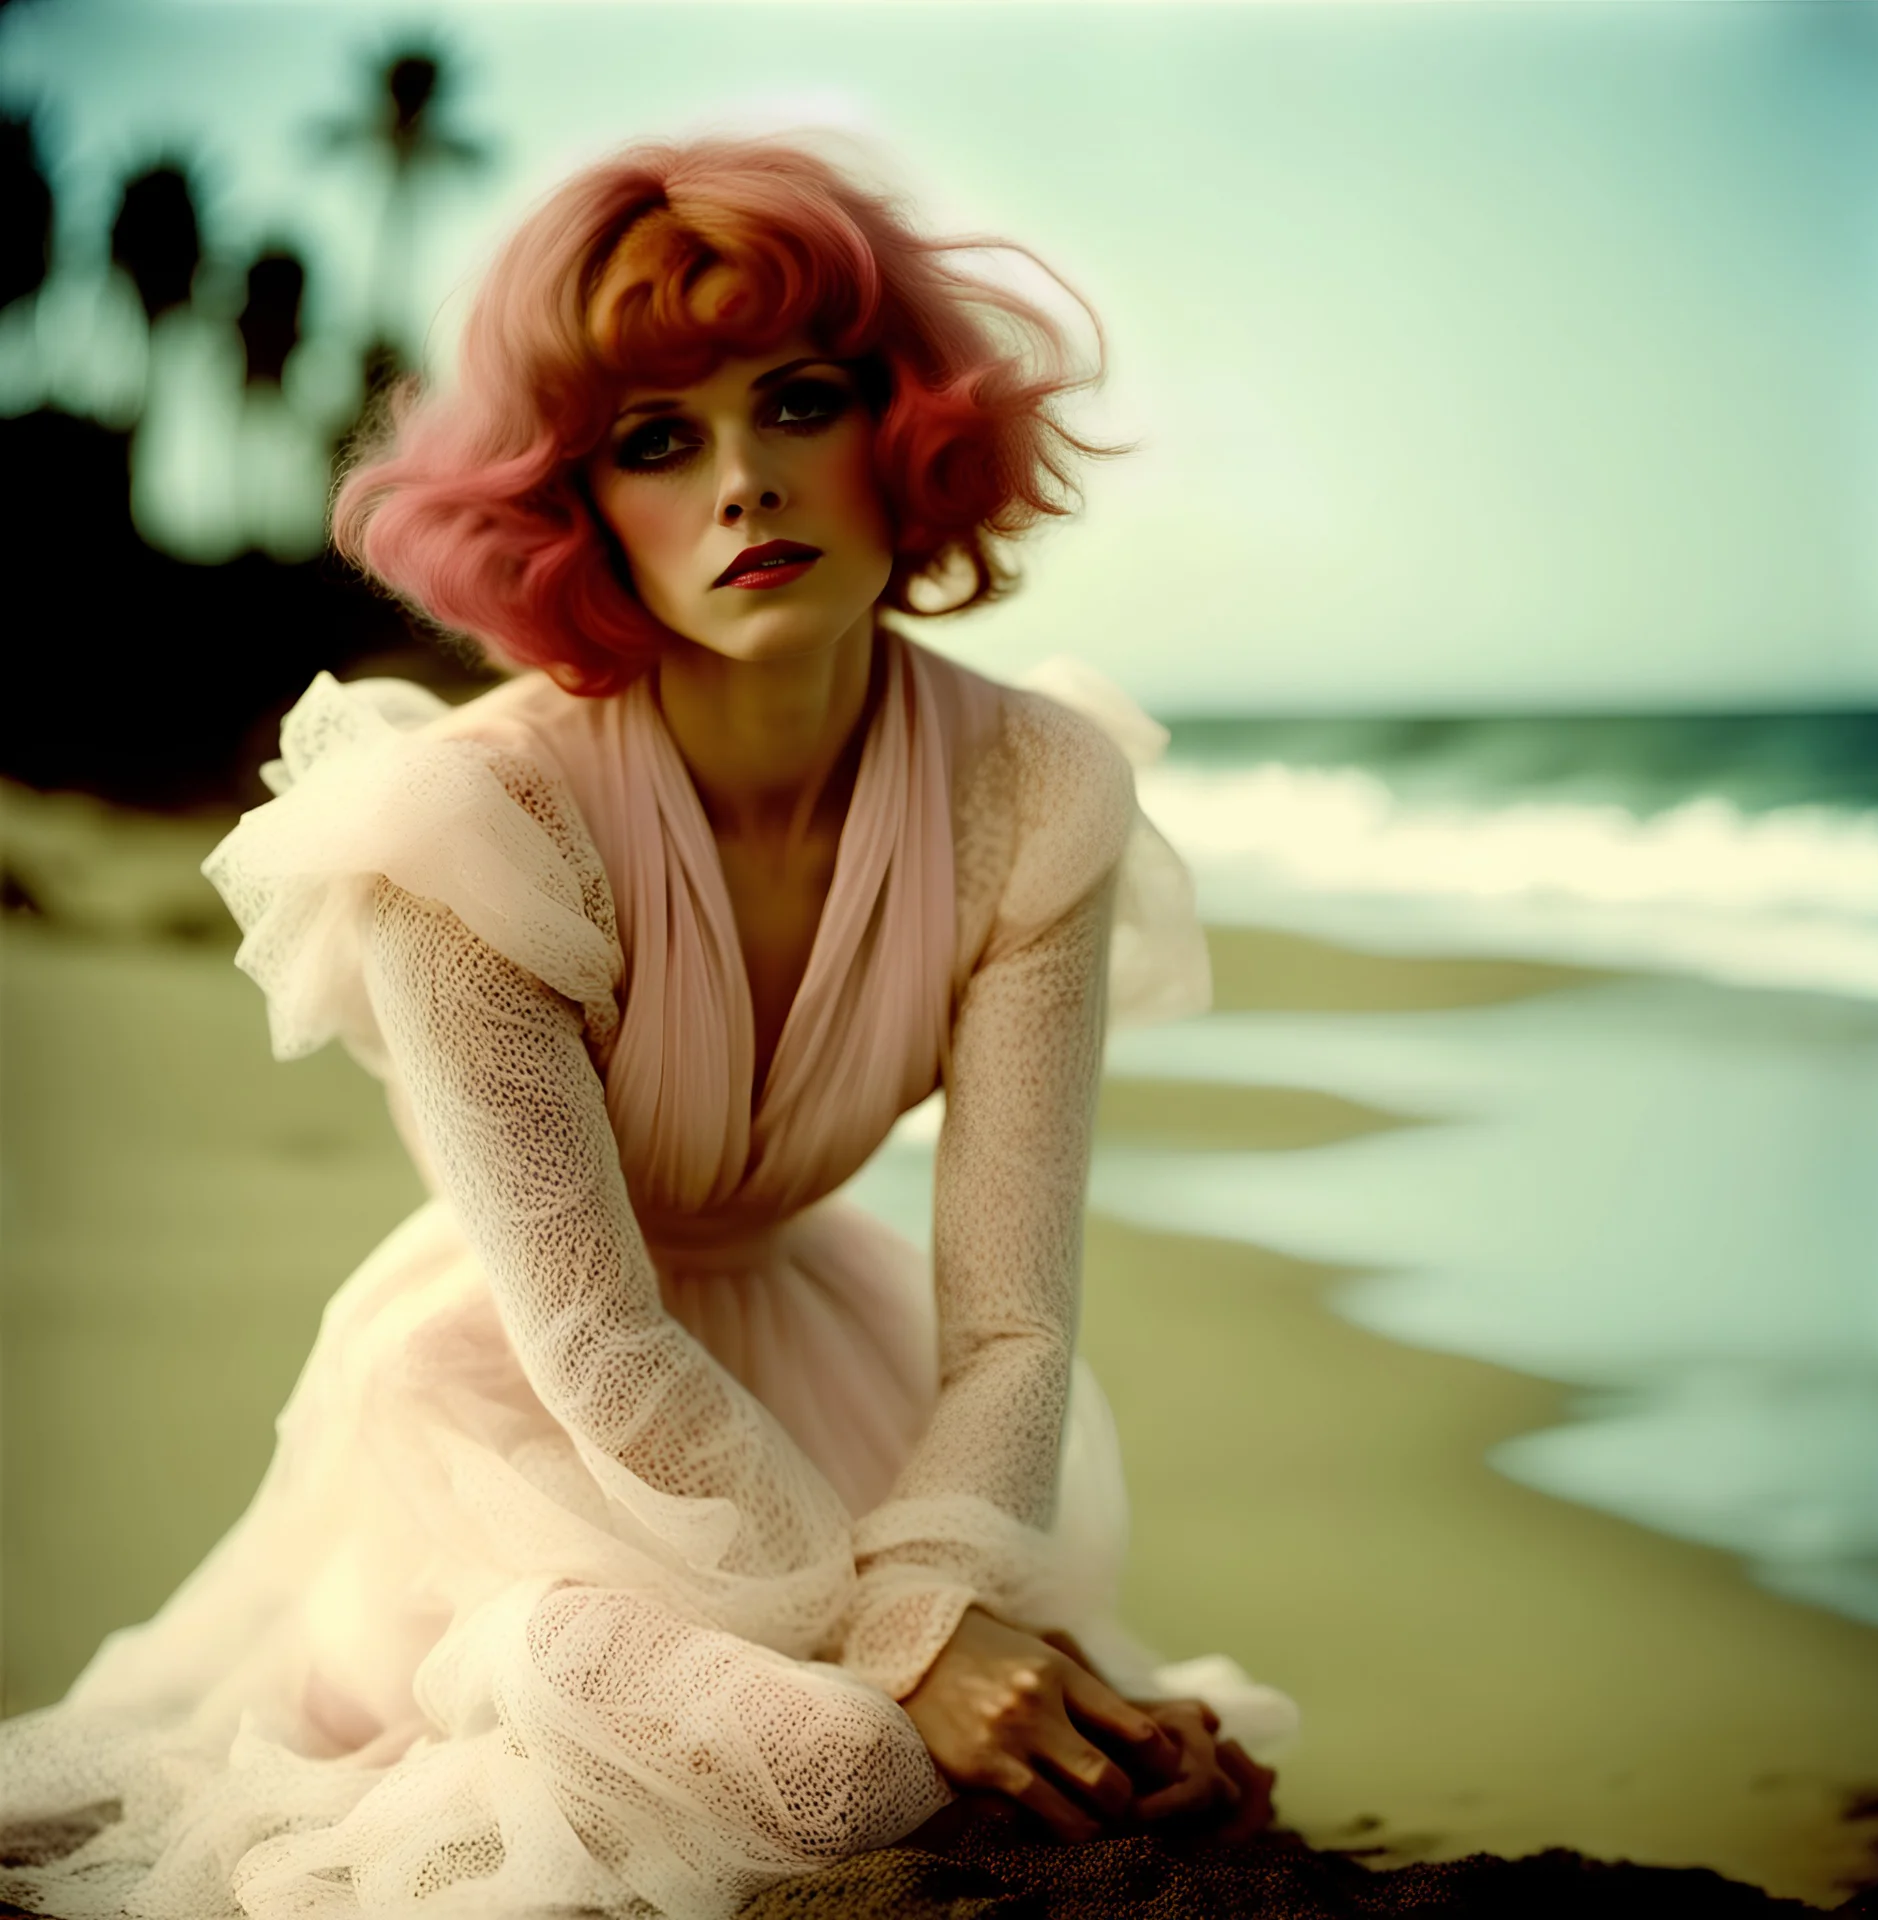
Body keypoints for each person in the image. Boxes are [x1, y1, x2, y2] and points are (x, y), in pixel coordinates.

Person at [0, 135, 1296, 1920]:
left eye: (801, 401)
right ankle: (496, 1671)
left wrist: (930, 1598)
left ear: (903, 422)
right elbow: (599, 1344)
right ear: (578, 503)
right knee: (836, 1759)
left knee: (1066, 1746)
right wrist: (909, 1635)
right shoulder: (469, 831)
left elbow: (1008, 1320)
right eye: (657, 439)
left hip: (834, 1382)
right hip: (527, 1427)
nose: (747, 484)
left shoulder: (1034, 789)